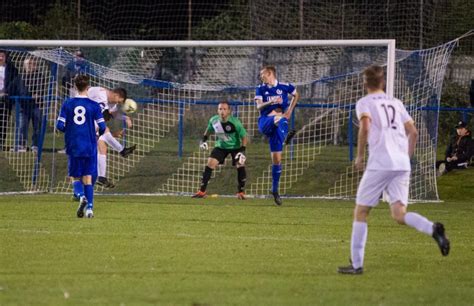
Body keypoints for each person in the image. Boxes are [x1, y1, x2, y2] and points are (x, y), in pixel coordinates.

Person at [338, 65, 450, 275]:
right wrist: (405, 158)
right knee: (399, 214)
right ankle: (432, 228)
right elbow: (413, 132)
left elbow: (365, 127)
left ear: (365, 84)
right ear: (383, 83)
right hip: (401, 163)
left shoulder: (364, 102)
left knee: (361, 211)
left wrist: (360, 155)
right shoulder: (396, 103)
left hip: (380, 162)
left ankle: (357, 264)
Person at [56, 75, 106, 218]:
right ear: (88, 87)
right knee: (88, 177)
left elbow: (60, 125)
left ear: (75, 87)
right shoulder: (94, 105)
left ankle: (79, 195)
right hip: (89, 144)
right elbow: (102, 126)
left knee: (74, 176)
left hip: (73, 144)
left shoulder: (68, 103)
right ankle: (90, 209)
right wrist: (97, 135)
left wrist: (69, 131)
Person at [254, 65, 299, 205]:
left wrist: (290, 109)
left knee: (277, 160)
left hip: (279, 126)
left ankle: (275, 190)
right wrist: (271, 101)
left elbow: (296, 94)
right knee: (280, 118)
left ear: (270, 73)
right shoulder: (261, 88)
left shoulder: (285, 86)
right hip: (265, 121)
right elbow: (258, 107)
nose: (261, 76)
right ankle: (286, 138)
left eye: (263, 74)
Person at [192, 101, 248, 199]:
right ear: (217, 110)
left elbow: (244, 137)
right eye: (220, 109)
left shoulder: (235, 122)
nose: (222, 111)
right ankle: (202, 191)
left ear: (229, 111)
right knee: (210, 163)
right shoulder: (214, 120)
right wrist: (203, 141)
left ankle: (241, 192)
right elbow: (207, 132)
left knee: (240, 165)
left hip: (235, 147)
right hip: (221, 147)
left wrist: (242, 151)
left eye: (224, 109)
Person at [87, 86, 136, 188]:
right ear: (116, 95)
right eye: (118, 101)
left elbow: (113, 114)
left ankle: (102, 178)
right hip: (83, 119)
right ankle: (122, 150)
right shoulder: (101, 94)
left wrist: (126, 118)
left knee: (103, 147)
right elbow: (104, 115)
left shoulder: (112, 103)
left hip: (91, 120)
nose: (118, 104)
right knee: (104, 129)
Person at [18, 57, 43, 152]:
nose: (30, 66)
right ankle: (21, 145)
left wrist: (37, 94)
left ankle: (35, 145)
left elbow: (41, 89)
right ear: (24, 65)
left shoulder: (40, 76)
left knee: (37, 127)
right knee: (22, 126)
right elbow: (18, 89)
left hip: (37, 106)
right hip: (24, 106)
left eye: (32, 64)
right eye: (28, 64)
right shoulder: (20, 76)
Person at [0, 49, 21, 151]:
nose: (0, 58)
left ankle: (1, 143)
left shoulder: (12, 69)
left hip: (5, 99)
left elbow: (15, 83)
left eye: (2, 56)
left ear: (5, 57)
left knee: (3, 122)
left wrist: (6, 92)